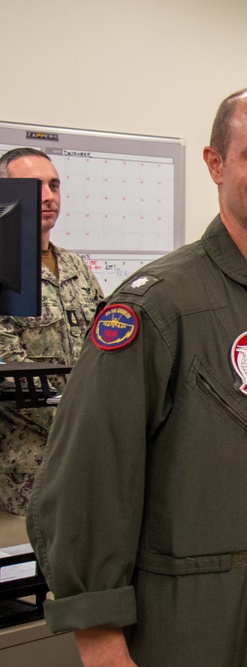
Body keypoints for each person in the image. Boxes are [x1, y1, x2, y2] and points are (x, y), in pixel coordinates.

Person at [27, 86, 247, 666]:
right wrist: (101, 642)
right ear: (216, 163)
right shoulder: (158, 308)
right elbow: (85, 476)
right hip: (182, 631)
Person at [0, 148, 104, 516]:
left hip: (87, 454)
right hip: (29, 462)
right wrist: (86, 418)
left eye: (54, 185)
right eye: (34, 186)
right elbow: (9, 370)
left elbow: (105, 343)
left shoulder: (76, 266)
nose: (48, 196)